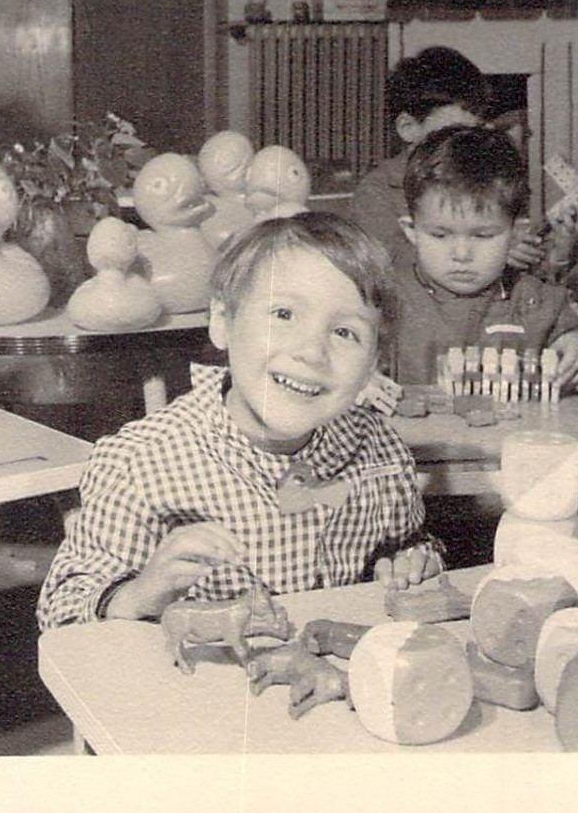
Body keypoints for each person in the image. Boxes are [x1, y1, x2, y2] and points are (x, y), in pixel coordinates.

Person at [37, 212, 443, 629]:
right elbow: (61, 608)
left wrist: (409, 562)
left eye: (345, 333)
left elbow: (408, 544)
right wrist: (139, 593)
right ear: (222, 322)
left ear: (373, 363)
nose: (312, 352)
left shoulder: (380, 451)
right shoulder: (140, 462)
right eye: (283, 314)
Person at [387, 125, 578, 387]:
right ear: (411, 231)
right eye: (440, 235)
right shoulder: (385, 301)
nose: (461, 255)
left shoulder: (537, 301)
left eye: (482, 236)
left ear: (516, 234)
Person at [351, 47, 578, 275]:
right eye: (454, 132)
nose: (466, 145)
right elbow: (389, 271)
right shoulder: (376, 192)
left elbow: (527, 287)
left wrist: (560, 253)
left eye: (475, 132)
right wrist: (490, 253)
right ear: (408, 127)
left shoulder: (483, 181)